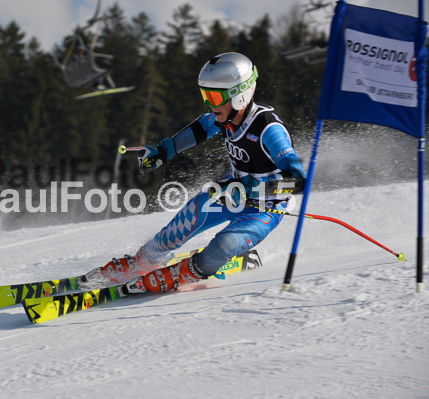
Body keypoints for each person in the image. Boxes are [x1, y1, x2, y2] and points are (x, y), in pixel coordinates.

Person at [81, 52, 307, 295]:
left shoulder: (268, 130)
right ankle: (140, 265)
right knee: (172, 234)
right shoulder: (226, 116)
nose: (209, 103)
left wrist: (253, 190)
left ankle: (188, 272)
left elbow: (300, 182)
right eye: (205, 95)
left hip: (265, 209)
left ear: (239, 94)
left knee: (225, 243)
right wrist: (163, 151)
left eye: (214, 96)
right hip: (229, 192)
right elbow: (202, 127)